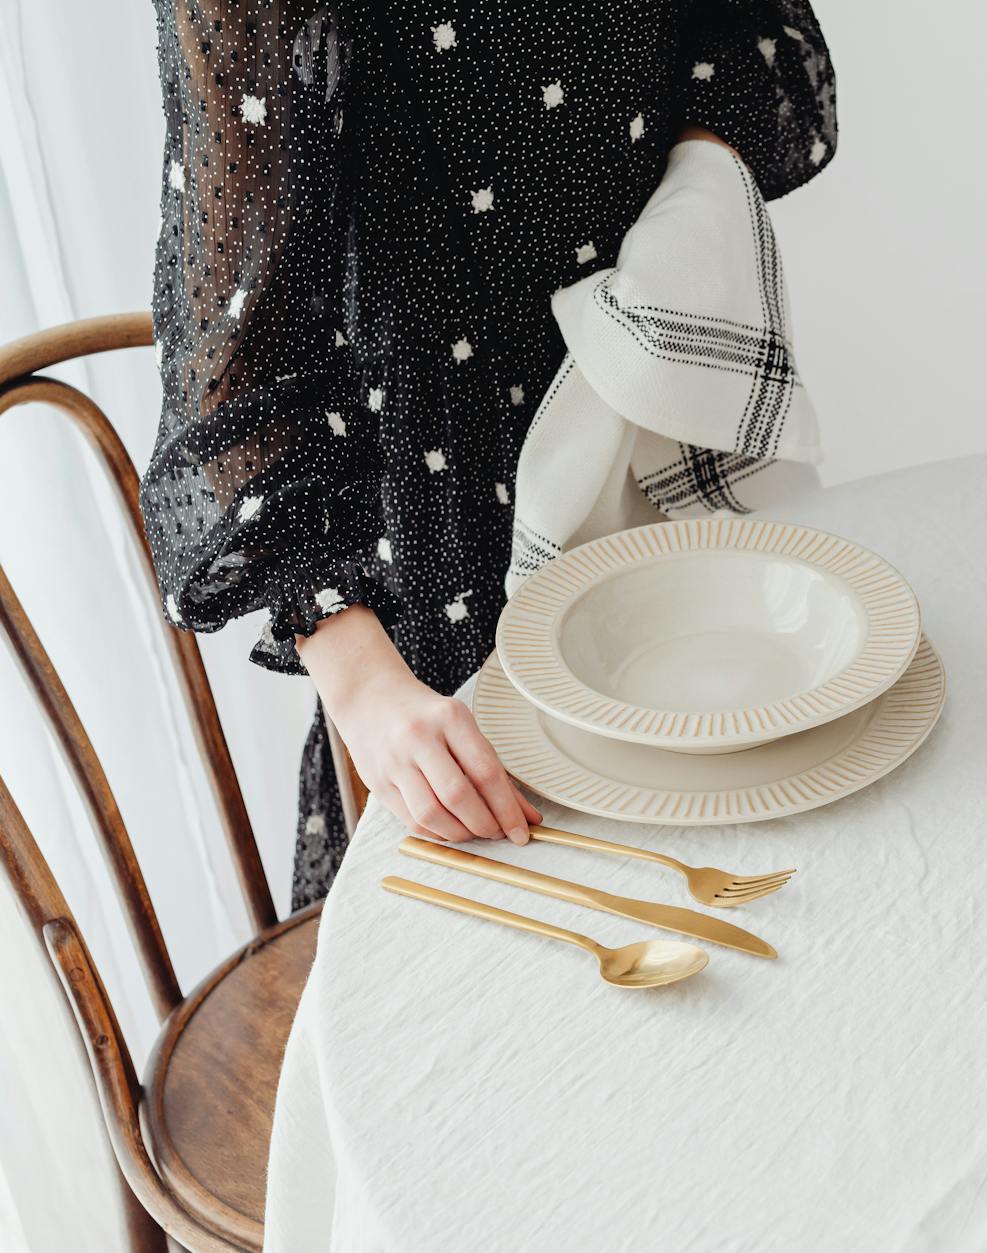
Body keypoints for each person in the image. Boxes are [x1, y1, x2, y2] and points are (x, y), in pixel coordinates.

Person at [143, 0, 837, 907]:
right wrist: (366, 691)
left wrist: (682, 243)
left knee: (786, 896)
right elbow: (233, 354)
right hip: (444, 574)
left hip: (663, 467)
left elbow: (749, 39)